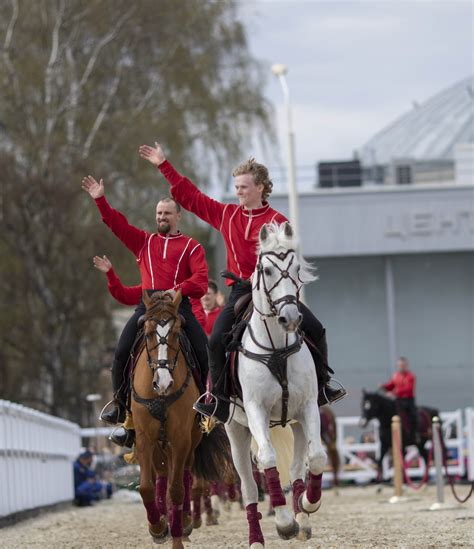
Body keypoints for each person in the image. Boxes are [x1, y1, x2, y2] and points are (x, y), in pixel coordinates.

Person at [138, 143, 346, 423]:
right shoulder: (227, 215)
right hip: (242, 291)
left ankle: (322, 387)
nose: (238, 193)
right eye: (236, 188)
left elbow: (291, 266)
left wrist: (291, 295)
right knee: (214, 342)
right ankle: (220, 400)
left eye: (243, 187)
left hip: (276, 291)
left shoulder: (277, 222)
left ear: (260, 187)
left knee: (317, 329)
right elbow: (191, 197)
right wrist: (164, 165)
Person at [82, 176, 209, 434]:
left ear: (178, 216)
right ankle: (119, 405)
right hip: (147, 307)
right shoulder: (143, 242)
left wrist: (178, 290)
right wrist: (100, 200)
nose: (162, 217)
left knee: (204, 350)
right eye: (159, 213)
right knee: (120, 351)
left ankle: (208, 402)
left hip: (178, 307)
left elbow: (201, 282)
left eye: (167, 213)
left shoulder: (191, 247)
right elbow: (117, 225)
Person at [380, 356, 419, 442]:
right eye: (400, 365)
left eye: (403, 365)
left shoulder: (410, 376)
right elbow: (390, 385)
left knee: (413, 415)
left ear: (406, 366)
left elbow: (408, 389)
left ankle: (415, 434)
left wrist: (394, 392)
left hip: (408, 400)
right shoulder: (396, 376)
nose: (401, 367)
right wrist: (384, 386)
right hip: (398, 401)